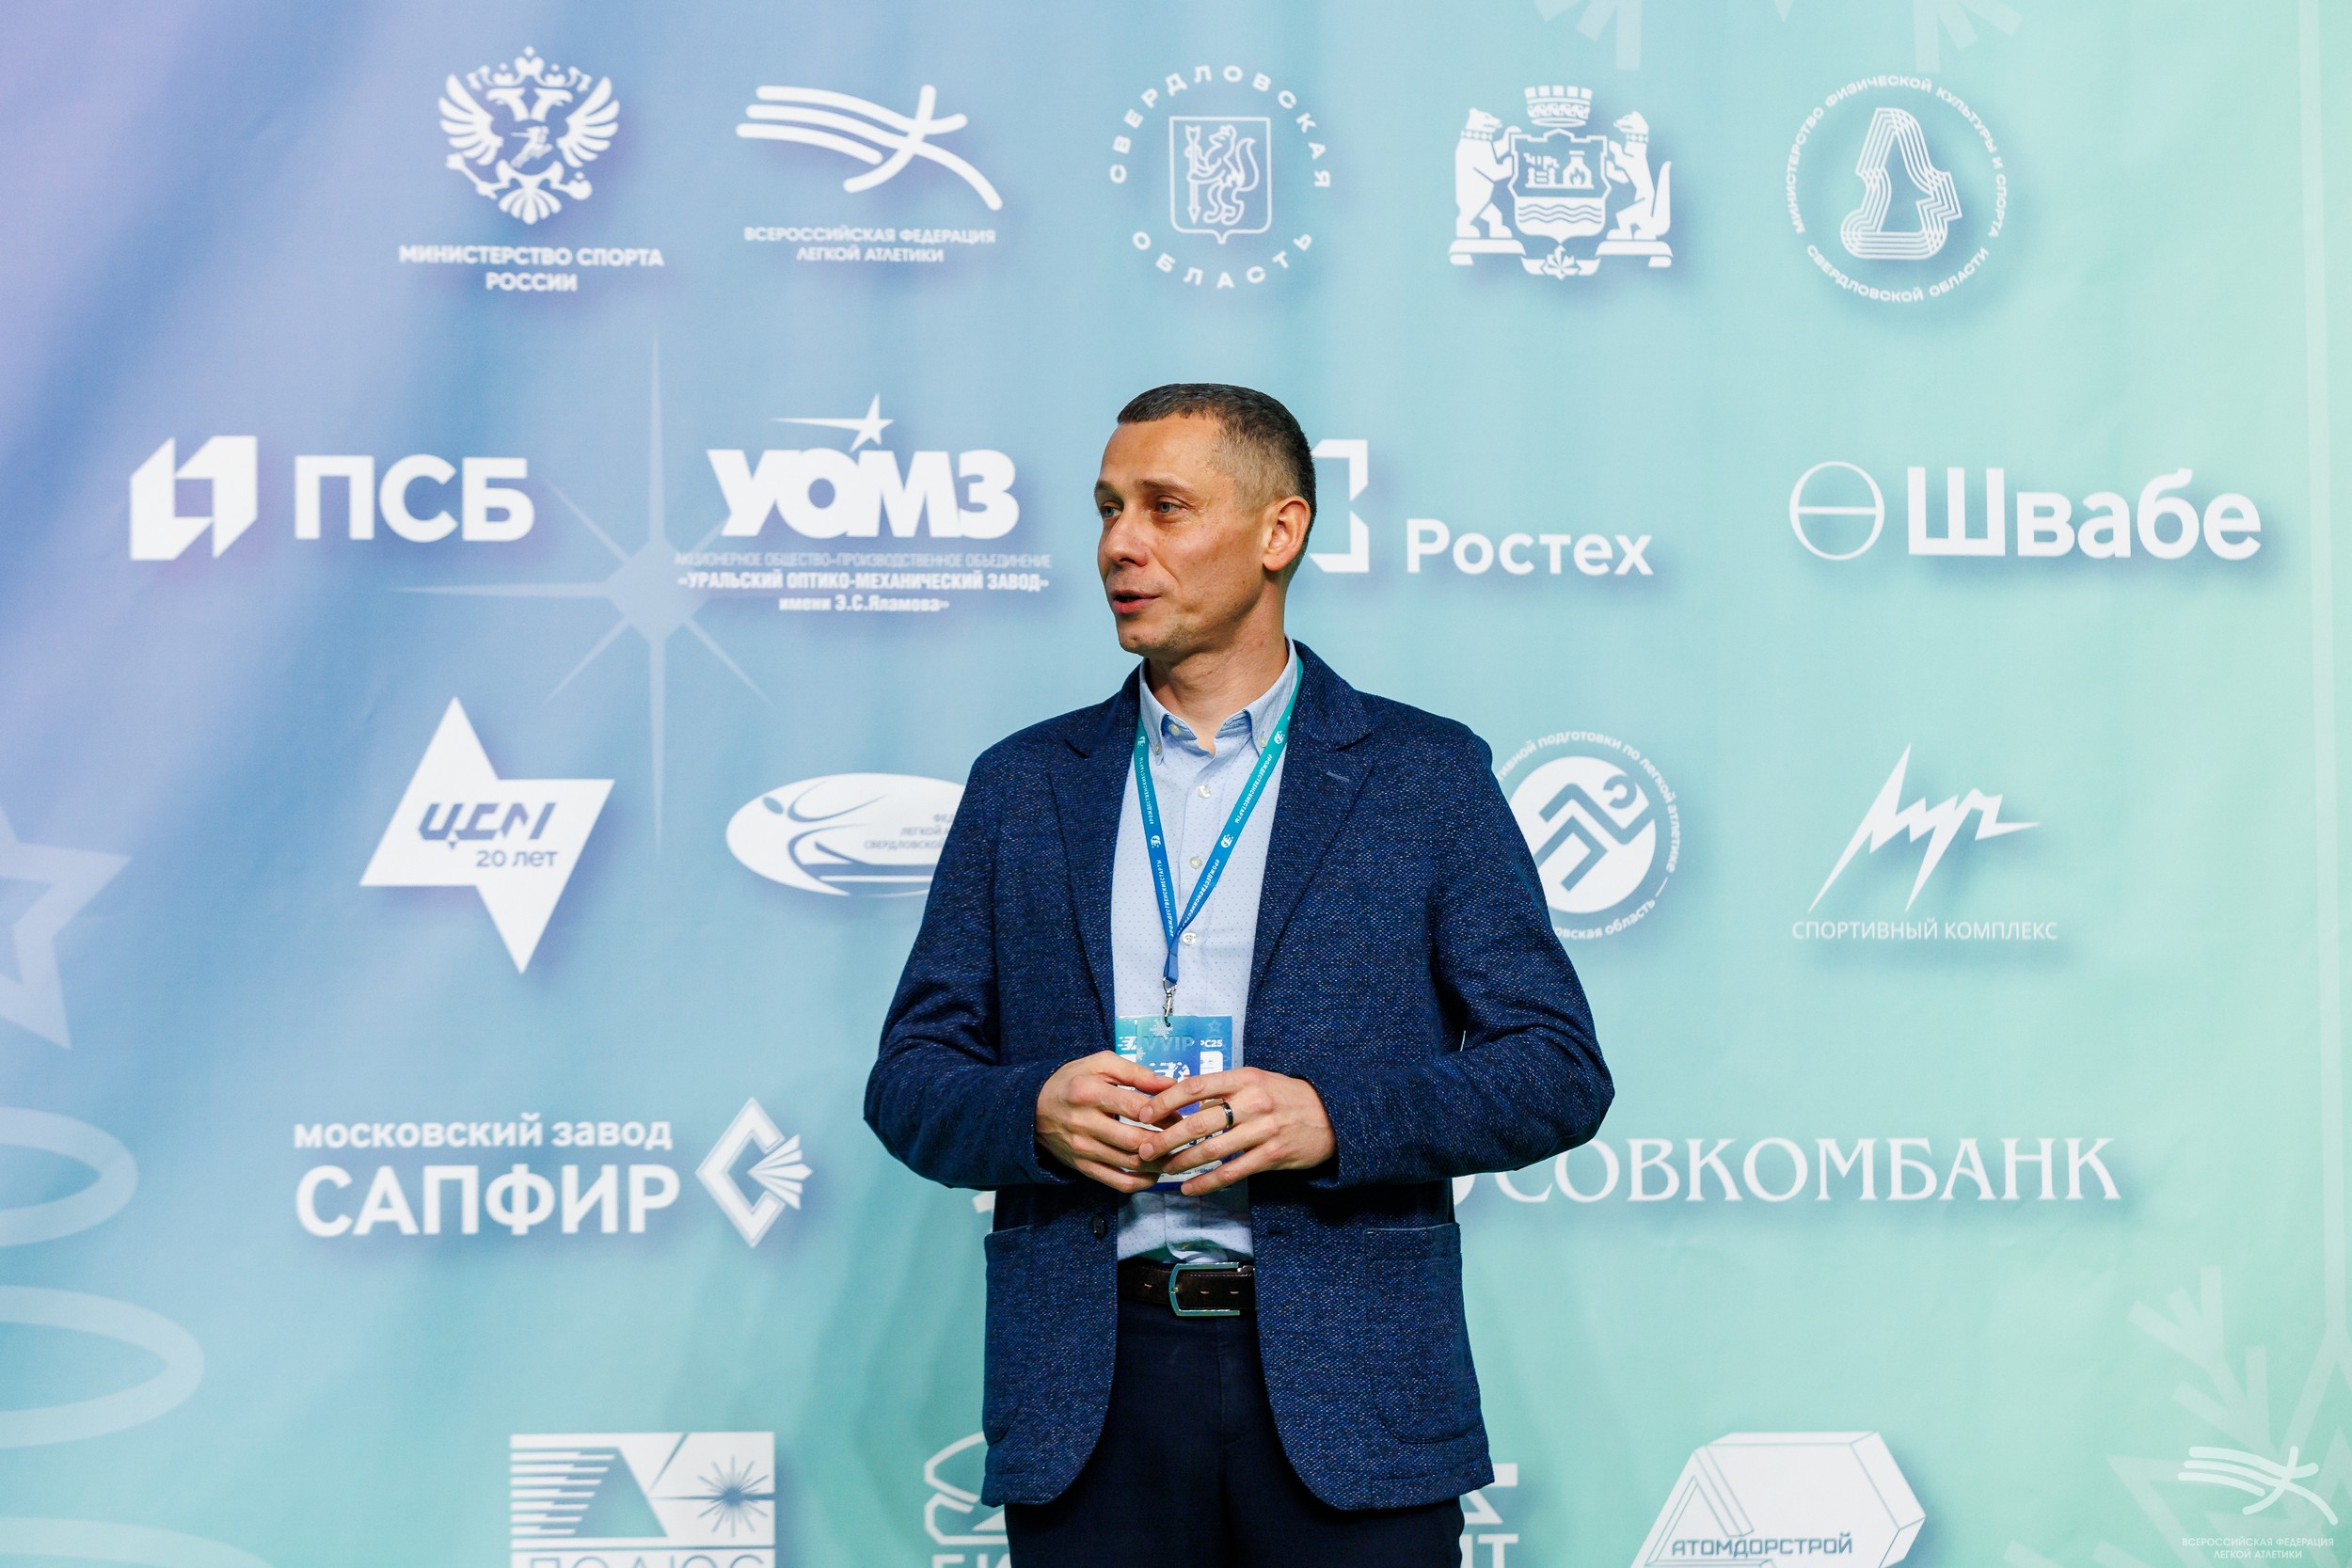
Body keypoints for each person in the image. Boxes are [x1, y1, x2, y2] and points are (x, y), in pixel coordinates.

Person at [866, 383, 1612, 1566]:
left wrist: (1335, 1119)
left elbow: (1556, 1069)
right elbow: (911, 1078)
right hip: (1090, 1398)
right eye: (1107, 508)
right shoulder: (1024, 784)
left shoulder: (1422, 775)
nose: (1120, 543)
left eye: (1164, 507)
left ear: (1279, 531)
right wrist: (1032, 1111)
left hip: (1353, 1396)